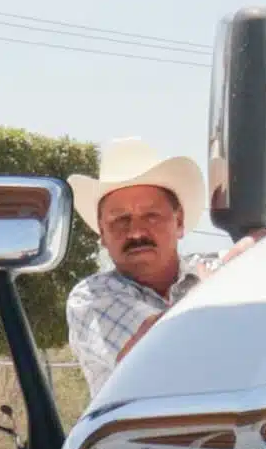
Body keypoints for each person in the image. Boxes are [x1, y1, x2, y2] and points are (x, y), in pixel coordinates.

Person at [64, 138, 207, 397]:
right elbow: (156, 355)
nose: (136, 231)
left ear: (179, 222)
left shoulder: (211, 274)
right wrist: (216, 294)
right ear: (103, 235)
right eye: (120, 219)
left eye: (151, 215)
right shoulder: (92, 296)